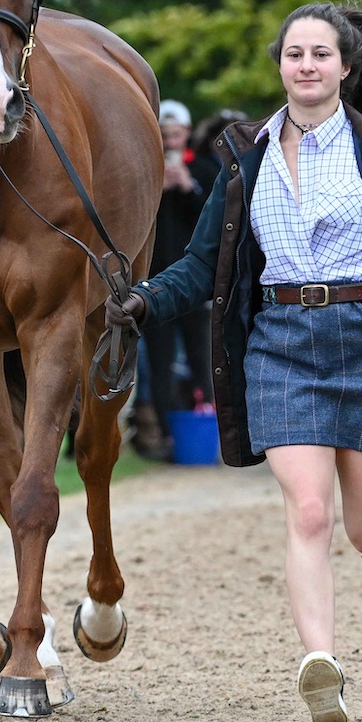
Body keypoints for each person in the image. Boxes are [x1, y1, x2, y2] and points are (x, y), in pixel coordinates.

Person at [105, 0, 362, 722]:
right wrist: (147, 300)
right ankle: (322, 666)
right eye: (294, 53)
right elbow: (205, 262)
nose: (306, 65)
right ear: (279, 64)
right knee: (309, 510)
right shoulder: (246, 155)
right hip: (280, 343)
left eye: (320, 54)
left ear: (345, 66)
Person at [136, 98, 217, 458]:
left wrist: (187, 189)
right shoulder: (143, 174)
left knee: (203, 356)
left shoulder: (202, 170)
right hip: (155, 283)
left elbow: (214, 223)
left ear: (186, 134)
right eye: (164, 135)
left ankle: (208, 428)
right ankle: (168, 435)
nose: (170, 140)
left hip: (194, 283)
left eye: (176, 134)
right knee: (159, 360)